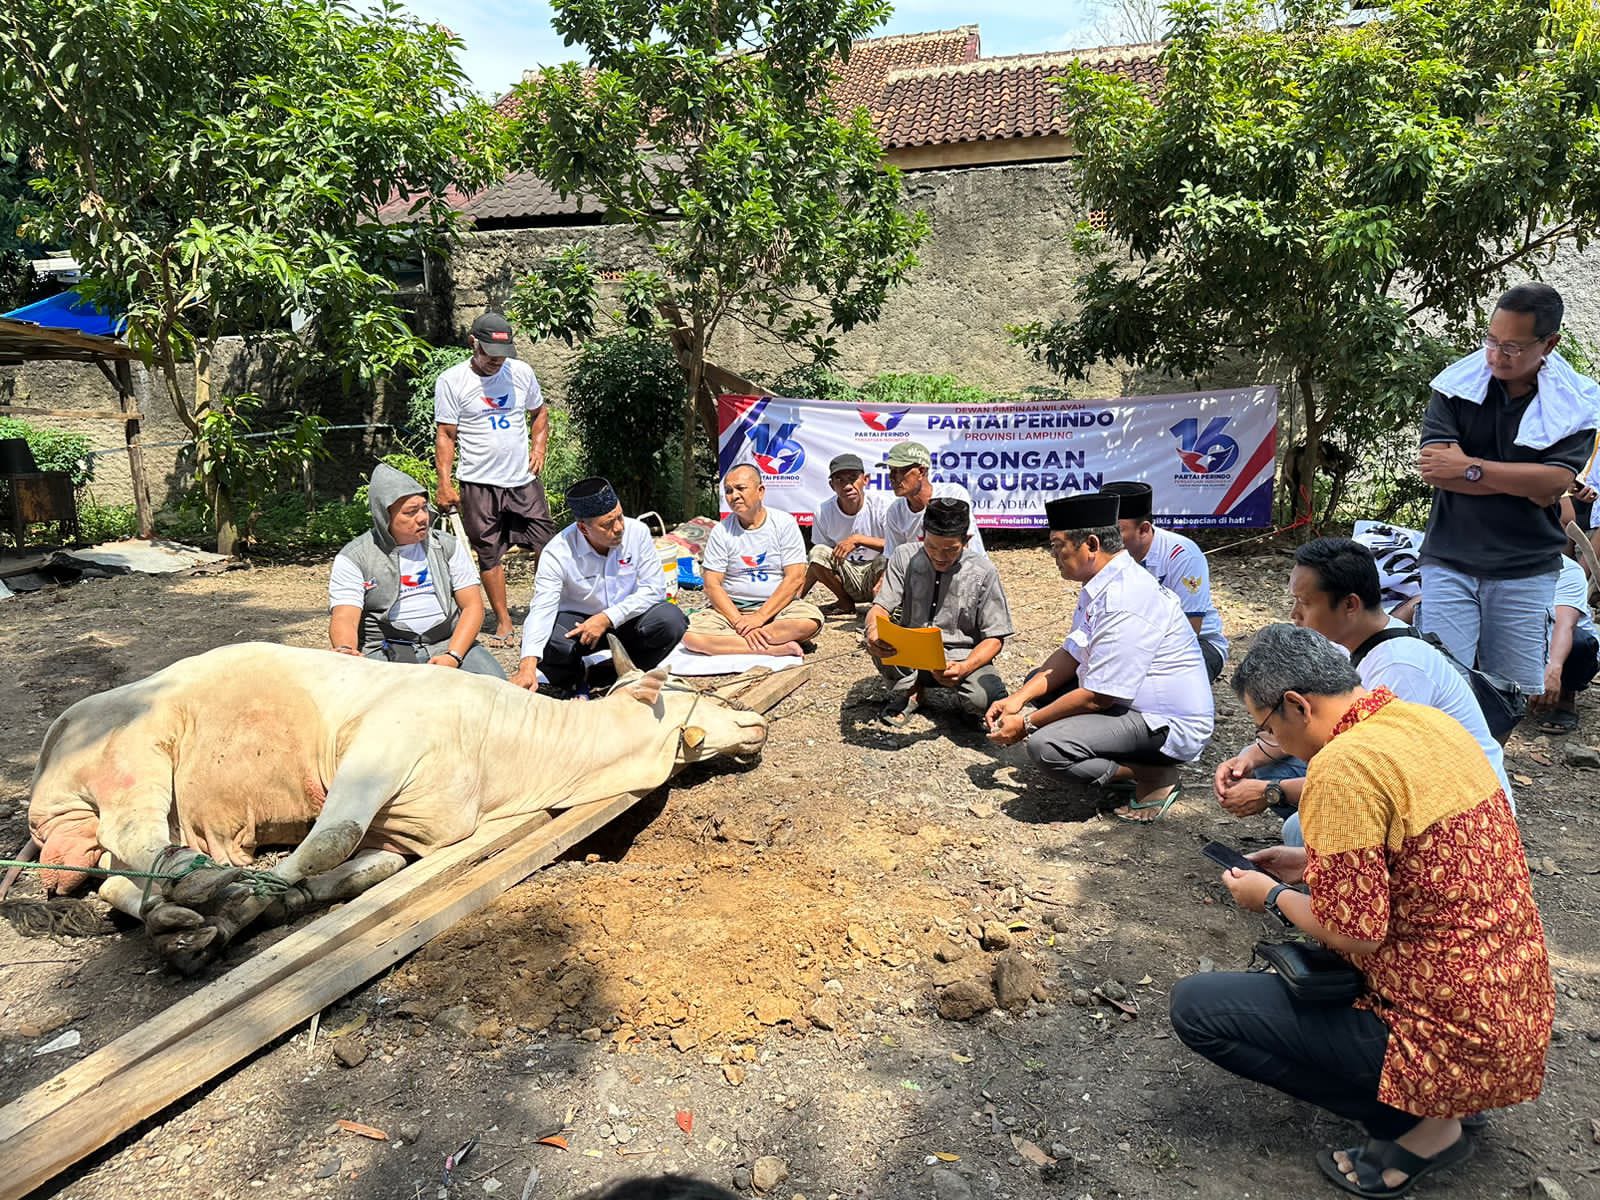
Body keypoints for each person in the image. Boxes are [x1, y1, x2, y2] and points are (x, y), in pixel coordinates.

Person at [1172, 624, 1552, 1198]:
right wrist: (1310, 863)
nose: (1270, 739)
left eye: (1267, 726)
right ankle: (1448, 1102)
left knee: (1198, 1008)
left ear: (1298, 705)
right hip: (1509, 1013)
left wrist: (1269, 895)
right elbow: (1419, 858)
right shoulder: (1423, 722)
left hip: (1439, 1025)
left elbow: (1354, 934)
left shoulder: (1342, 766)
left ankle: (1421, 1124)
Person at [1215, 538, 1512, 838]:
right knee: (1268, 765)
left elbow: (1378, 776)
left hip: (1463, 817)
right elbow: (1302, 722)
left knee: (1299, 829)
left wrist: (1271, 792)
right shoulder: (1344, 645)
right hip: (1393, 777)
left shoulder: (1400, 666)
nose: (1295, 614)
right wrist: (1249, 758)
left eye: (1305, 602)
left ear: (1350, 605)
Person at [985, 492, 1214, 822]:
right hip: (1131, 702)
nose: (1053, 555)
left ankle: (1154, 776)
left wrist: (1026, 724)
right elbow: (1072, 652)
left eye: (1057, 545)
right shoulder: (1103, 581)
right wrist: (1016, 700)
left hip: (1164, 721)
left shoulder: (1125, 597)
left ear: (1091, 544)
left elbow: (1099, 697)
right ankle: (1116, 758)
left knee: (1046, 747)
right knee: (1037, 683)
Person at [1418, 282, 1599, 695]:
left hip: (1525, 567)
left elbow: (1554, 484)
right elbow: (1436, 470)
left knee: (1508, 694)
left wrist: (1469, 468)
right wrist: (1524, 481)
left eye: (1513, 347)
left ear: (1549, 344)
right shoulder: (1456, 386)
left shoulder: (1575, 403)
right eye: (1492, 341)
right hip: (1450, 556)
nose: (1497, 355)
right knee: (1442, 686)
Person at [434, 312, 556, 648]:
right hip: (478, 482)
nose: (496, 361)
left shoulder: (521, 373)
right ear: (473, 343)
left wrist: (539, 447)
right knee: (488, 553)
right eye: (490, 354)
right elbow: (446, 434)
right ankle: (503, 620)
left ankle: (545, 609)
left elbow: (539, 412)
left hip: (521, 480)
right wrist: (444, 483)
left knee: (547, 544)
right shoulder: (452, 381)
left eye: (502, 355)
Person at [509, 476, 687, 695]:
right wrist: (527, 666)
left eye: (620, 516)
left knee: (671, 620)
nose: (619, 527)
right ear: (583, 528)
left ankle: (616, 675)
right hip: (580, 627)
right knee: (552, 642)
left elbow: (654, 589)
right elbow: (542, 608)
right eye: (607, 524)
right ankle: (576, 680)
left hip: (628, 619)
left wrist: (607, 618)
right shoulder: (557, 552)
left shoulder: (638, 532)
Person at [327, 463, 504, 677]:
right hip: (385, 647)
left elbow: (473, 606)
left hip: (448, 641)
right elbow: (345, 616)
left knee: (495, 684)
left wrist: (453, 655)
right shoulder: (355, 557)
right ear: (385, 516)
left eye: (423, 508)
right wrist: (346, 650)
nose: (422, 517)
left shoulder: (447, 545)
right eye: (410, 512)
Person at [865, 497, 1013, 724]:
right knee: (880, 640)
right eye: (931, 547)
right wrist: (873, 631)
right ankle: (912, 691)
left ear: (966, 541)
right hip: (912, 652)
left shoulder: (983, 571)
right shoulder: (904, 556)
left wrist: (965, 667)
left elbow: (995, 638)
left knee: (984, 701)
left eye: (950, 550)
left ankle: (967, 701)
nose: (939, 556)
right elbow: (880, 607)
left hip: (961, 657)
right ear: (922, 535)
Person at [682, 464, 824, 658]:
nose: (734, 496)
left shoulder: (784, 523)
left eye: (740, 488)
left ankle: (735, 643)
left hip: (779, 608)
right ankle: (774, 648)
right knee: (691, 636)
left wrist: (760, 617)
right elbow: (711, 585)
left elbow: (795, 578)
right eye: (728, 491)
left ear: (760, 491)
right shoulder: (721, 531)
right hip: (733, 609)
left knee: (808, 621)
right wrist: (739, 622)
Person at [1101, 480, 1228, 680]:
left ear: (1144, 529)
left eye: (1115, 532)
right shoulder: (1104, 554)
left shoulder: (1182, 555)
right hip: (1132, 641)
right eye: (1102, 532)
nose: (1105, 540)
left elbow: (1190, 630)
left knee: (1149, 682)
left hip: (1197, 644)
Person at [804, 452, 889, 615]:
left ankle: (882, 607)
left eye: (852, 478)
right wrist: (794, 599)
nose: (847, 486)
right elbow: (818, 563)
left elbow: (897, 546)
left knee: (887, 558)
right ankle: (845, 602)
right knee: (817, 552)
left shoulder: (882, 506)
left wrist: (858, 539)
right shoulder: (823, 511)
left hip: (877, 577)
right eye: (840, 480)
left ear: (865, 480)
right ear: (831, 485)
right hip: (847, 577)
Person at [1531, 548, 1600, 733]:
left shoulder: (1567, 570)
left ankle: (1565, 699)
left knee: (1578, 642)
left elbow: (1564, 626)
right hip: (1527, 639)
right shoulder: (1496, 560)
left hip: (1561, 642)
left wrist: (1554, 668)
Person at [881, 440, 985, 557]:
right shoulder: (895, 510)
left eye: (899, 470)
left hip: (965, 563)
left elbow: (960, 549)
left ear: (921, 471)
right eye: (891, 470)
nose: (892, 477)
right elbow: (894, 556)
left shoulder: (952, 495)